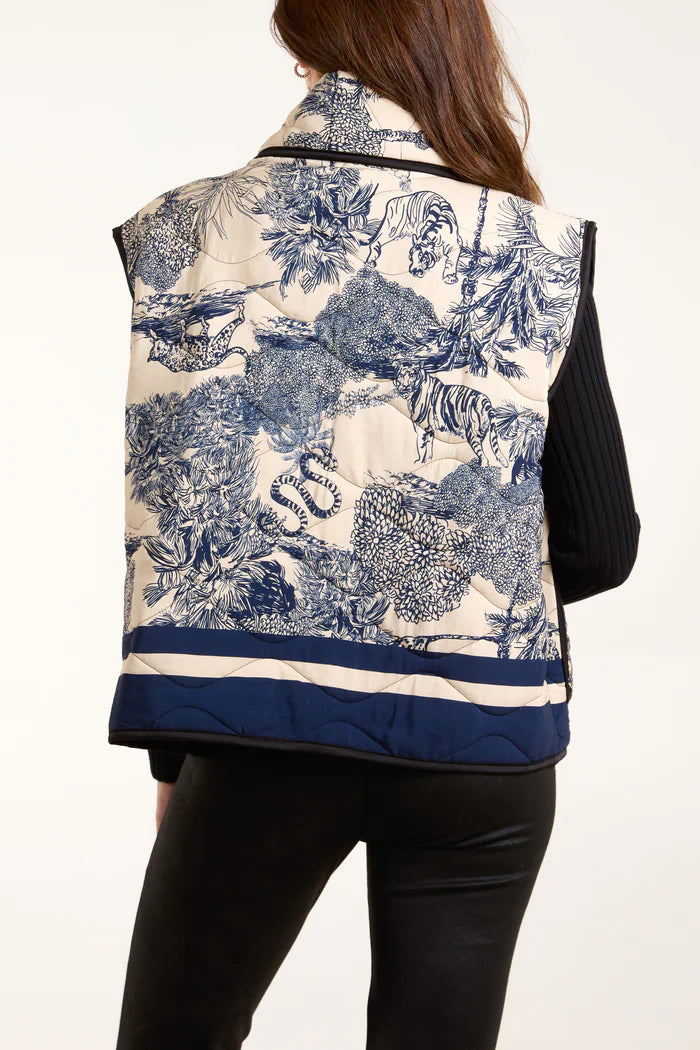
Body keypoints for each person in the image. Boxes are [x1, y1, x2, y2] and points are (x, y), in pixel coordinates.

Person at [109, 1, 640, 1047]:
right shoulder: (536, 247)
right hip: (480, 748)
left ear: (316, 47)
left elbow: (181, 511)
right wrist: (443, 594)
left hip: (256, 730)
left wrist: (176, 758)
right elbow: (599, 543)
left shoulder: (184, 232)